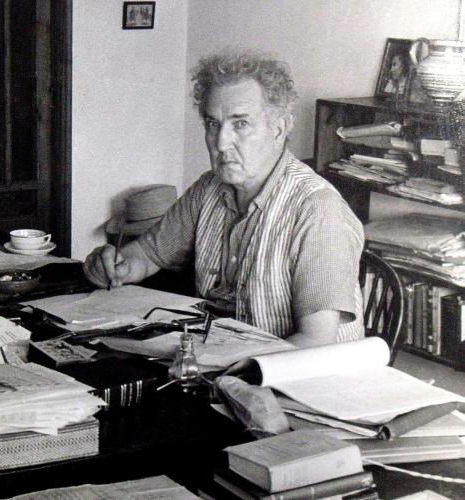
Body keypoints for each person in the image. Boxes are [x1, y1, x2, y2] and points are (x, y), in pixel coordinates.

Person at [84, 49, 364, 347]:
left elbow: (318, 342)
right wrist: (116, 266)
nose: (220, 142)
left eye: (240, 124)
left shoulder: (317, 208)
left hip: (298, 369)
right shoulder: (209, 188)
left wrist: (237, 366)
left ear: (279, 128)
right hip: (221, 353)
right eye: (213, 124)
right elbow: (148, 254)